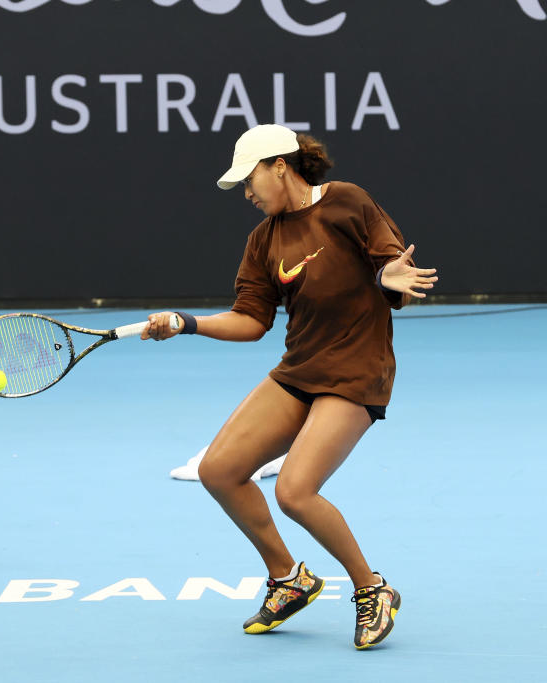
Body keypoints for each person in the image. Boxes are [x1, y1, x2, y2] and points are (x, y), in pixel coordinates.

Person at [141, 124, 438, 649]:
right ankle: (289, 579)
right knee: (219, 470)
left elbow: (397, 272)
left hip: (357, 369)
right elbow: (250, 321)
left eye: (251, 179)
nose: (248, 194)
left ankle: (373, 590)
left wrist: (392, 280)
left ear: (281, 164)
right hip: (300, 368)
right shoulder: (263, 240)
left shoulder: (348, 202)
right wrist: (187, 322)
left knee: (294, 492)